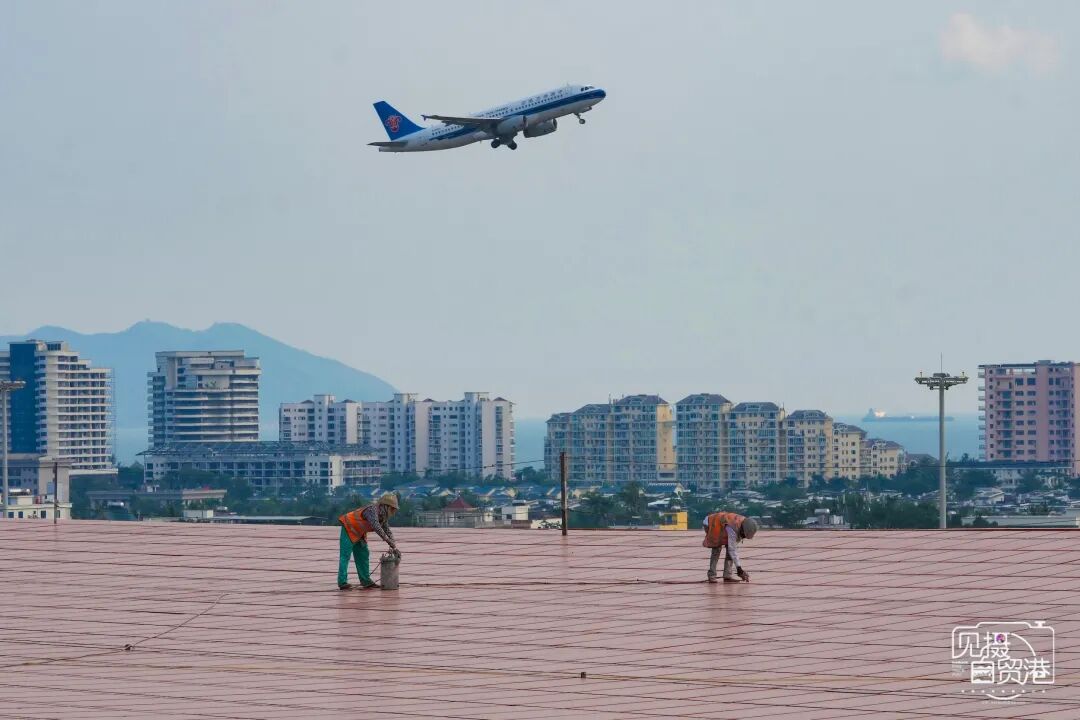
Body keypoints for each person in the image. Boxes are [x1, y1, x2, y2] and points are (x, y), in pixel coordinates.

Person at [337, 493, 401, 590]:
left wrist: (394, 546)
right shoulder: (372, 510)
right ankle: (342, 582)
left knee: (363, 555)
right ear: (385, 506)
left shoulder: (383, 517)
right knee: (345, 555)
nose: (393, 512)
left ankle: (366, 581)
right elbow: (377, 527)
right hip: (348, 527)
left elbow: (387, 530)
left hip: (359, 532)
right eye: (392, 509)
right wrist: (389, 542)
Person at [702, 511, 758, 583]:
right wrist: (739, 569)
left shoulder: (743, 523)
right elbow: (733, 550)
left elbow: (732, 550)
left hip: (722, 525)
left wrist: (739, 569)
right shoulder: (733, 528)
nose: (743, 536)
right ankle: (711, 575)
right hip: (711, 523)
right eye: (743, 535)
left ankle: (727, 576)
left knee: (730, 552)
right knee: (716, 549)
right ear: (743, 530)